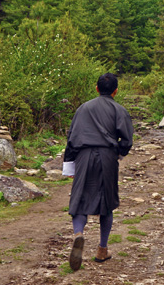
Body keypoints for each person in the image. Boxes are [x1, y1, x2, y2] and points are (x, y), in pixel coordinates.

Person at [61, 72, 134, 271]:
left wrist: (69, 164)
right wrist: (117, 153)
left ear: (96, 88)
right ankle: (102, 250)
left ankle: (78, 234)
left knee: (80, 198)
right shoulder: (119, 110)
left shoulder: (83, 109)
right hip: (107, 158)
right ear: (116, 91)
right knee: (107, 201)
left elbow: (72, 138)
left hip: (83, 156)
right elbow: (127, 140)